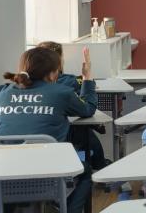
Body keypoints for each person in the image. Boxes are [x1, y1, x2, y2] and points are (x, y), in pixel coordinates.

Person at [0, 47, 97, 213]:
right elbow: (88, 109)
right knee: (85, 172)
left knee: (7, 177)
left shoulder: (3, 92)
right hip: (48, 174)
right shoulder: (61, 93)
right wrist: (87, 78)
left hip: (4, 173)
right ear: (53, 74)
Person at [37, 41, 109, 170]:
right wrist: (87, 76)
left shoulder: (10, 91)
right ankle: (99, 164)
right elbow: (88, 106)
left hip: (23, 154)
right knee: (84, 131)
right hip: (60, 142)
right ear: (59, 62)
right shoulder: (68, 84)